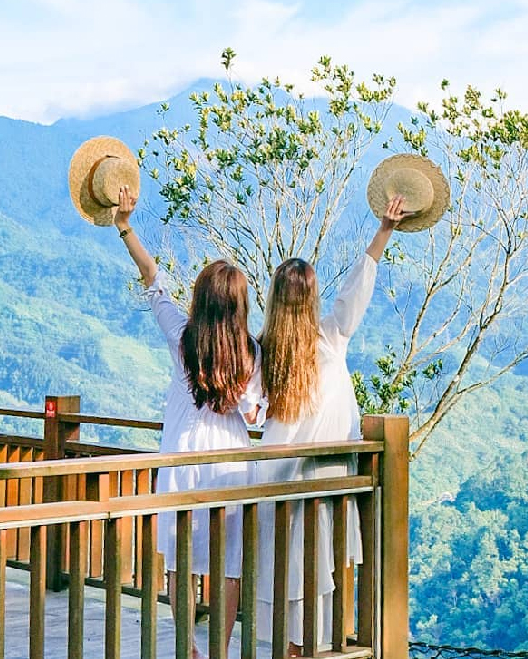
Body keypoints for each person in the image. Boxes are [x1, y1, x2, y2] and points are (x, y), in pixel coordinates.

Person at [254, 195, 409, 651]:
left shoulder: (266, 350)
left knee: (287, 567)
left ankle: (291, 647)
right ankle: (313, 646)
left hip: (280, 478)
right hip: (330, 478)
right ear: (311, 298)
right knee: (320, 566)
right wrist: (384, 231)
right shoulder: (330, 337)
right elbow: (359, 286)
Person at [114, 186, 262, 659]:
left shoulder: (182, 337)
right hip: (231, 464)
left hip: (181, 459)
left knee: (181, 560)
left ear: (200, 299)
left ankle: (188, 649)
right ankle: (220, 649)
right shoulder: (250, 352)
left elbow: (153, 280)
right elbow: (253, 412)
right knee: (229, 565)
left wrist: (125, 227)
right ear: (239, 306)